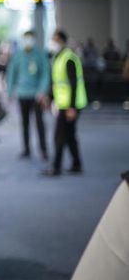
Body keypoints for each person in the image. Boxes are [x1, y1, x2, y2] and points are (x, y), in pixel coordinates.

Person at [42, 30, 88, 176]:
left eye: (55, 39)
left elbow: (73, 84)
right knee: (69, 135)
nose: (52, 43)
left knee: (59, 136)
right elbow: (57, 82)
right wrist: (49, 98)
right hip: (63, 103)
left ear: (62, 41)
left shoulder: (68, 58)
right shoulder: (58, 57)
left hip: (70, 105)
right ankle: (77, 164)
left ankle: (56, 167)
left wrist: (72, 108)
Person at [6, 31, 50, 160]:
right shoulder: (18, 55)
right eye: (26, 39)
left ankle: (43, 149)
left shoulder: (39, 54)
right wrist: (10, 91)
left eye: (30, 39)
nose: (28, 41)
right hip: (22, 94)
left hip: (36, 95)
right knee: (24, 123)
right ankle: (26, 149)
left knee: (39, 122)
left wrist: (42, 91)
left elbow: (45, 74)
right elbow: (12, 73)